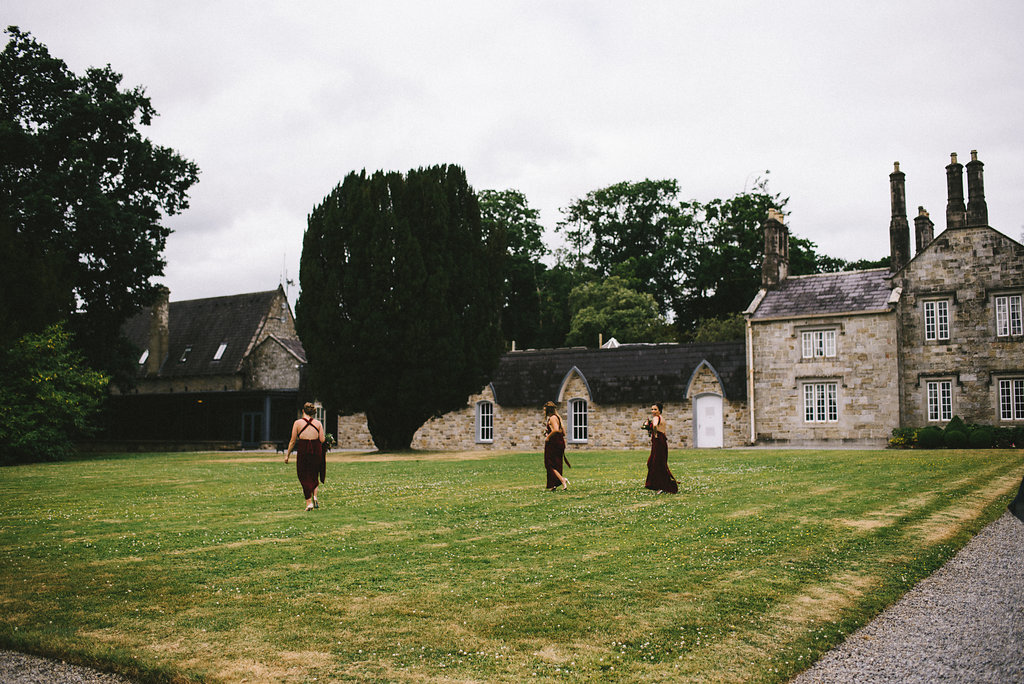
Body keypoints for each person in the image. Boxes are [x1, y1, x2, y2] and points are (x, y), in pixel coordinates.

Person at [285, 402, 326, 511]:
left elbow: (293, 441)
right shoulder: (318, 423)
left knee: (303, 475)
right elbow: (322, 440)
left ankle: (309, 502)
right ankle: (315, 496)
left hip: (303, 449)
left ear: (303, 411)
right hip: (316, 449)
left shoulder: (297, 423)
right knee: (314, 473)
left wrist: (287, 455)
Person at [644, 403, 678, 494]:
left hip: (658, 441)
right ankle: (658, 484)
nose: (653, 411)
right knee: (655, 462)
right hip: (661, 441)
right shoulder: (662, 419)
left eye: (655, 409)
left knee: (655, 463)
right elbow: (663, 430)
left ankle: (662, 486)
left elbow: (655, 426)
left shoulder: (656, 418)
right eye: (652, 409)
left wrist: (654, 434)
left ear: (659, 410)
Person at [543, 401, 570, 490]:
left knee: (549, 464)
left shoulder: (552, 418)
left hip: (553, 443)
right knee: (556, 463)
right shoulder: (558, 418)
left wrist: (548, 437)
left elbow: (556, 430)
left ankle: (562, 480)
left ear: (548, 410)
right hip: (559, 442)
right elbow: (563, 433)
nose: (543, 412)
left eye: (544, 410)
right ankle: (553, 484)